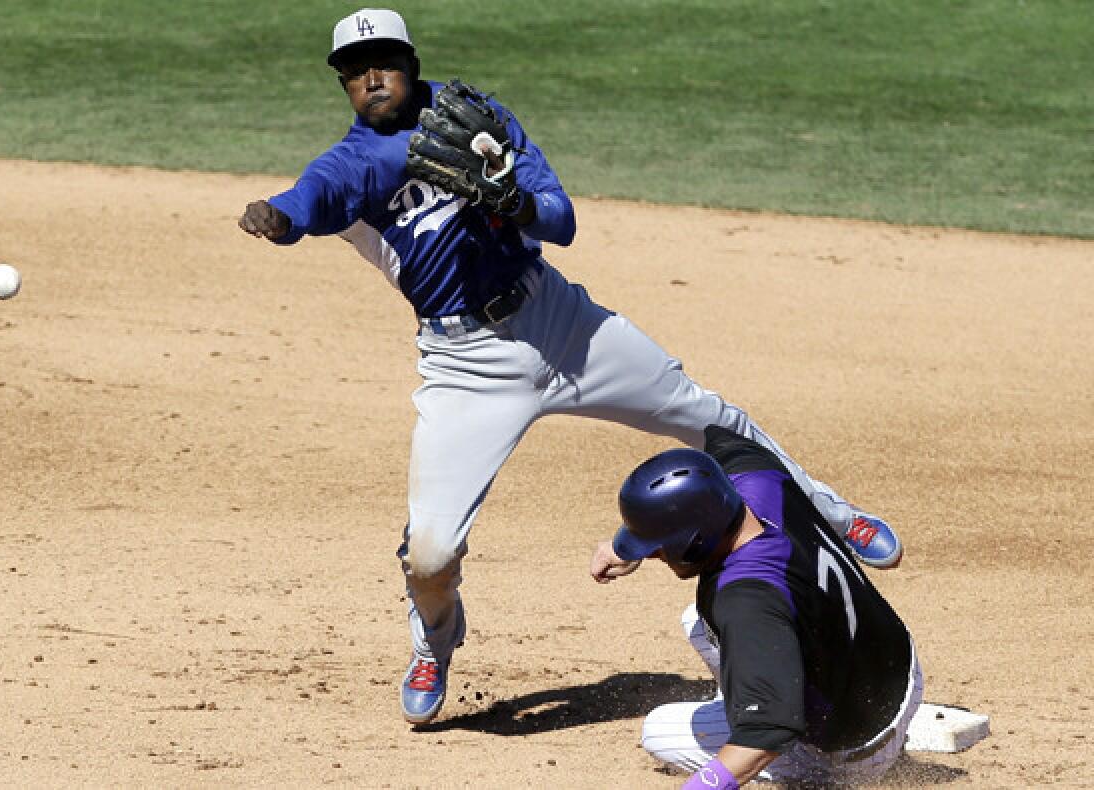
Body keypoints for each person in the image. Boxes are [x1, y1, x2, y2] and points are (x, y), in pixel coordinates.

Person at [238, 8, 902, 726]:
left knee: (707, 417)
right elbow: (303, 202)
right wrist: (275, 218)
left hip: (558, 320)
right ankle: (435, 637)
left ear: (411, 62)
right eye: (357, 68)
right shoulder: (350, 166)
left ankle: (829, 510)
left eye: (386, 60)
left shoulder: (476, 116)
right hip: (467, 364)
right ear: (342, 82)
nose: (373, 77)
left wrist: (514, 200)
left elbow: (562, 221)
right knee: (429, 555)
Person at [590, 426, 923, 787]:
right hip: (900, 668)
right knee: (698, 622)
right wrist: (627, 547)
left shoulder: (747, 602)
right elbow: (721, 434)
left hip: (853, 748)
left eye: (657, 548)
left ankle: (828, 778)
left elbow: (766, 734)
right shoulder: (756, 474)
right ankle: (765, 685)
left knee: (659, 731)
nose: (654, 555)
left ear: (695, 541)